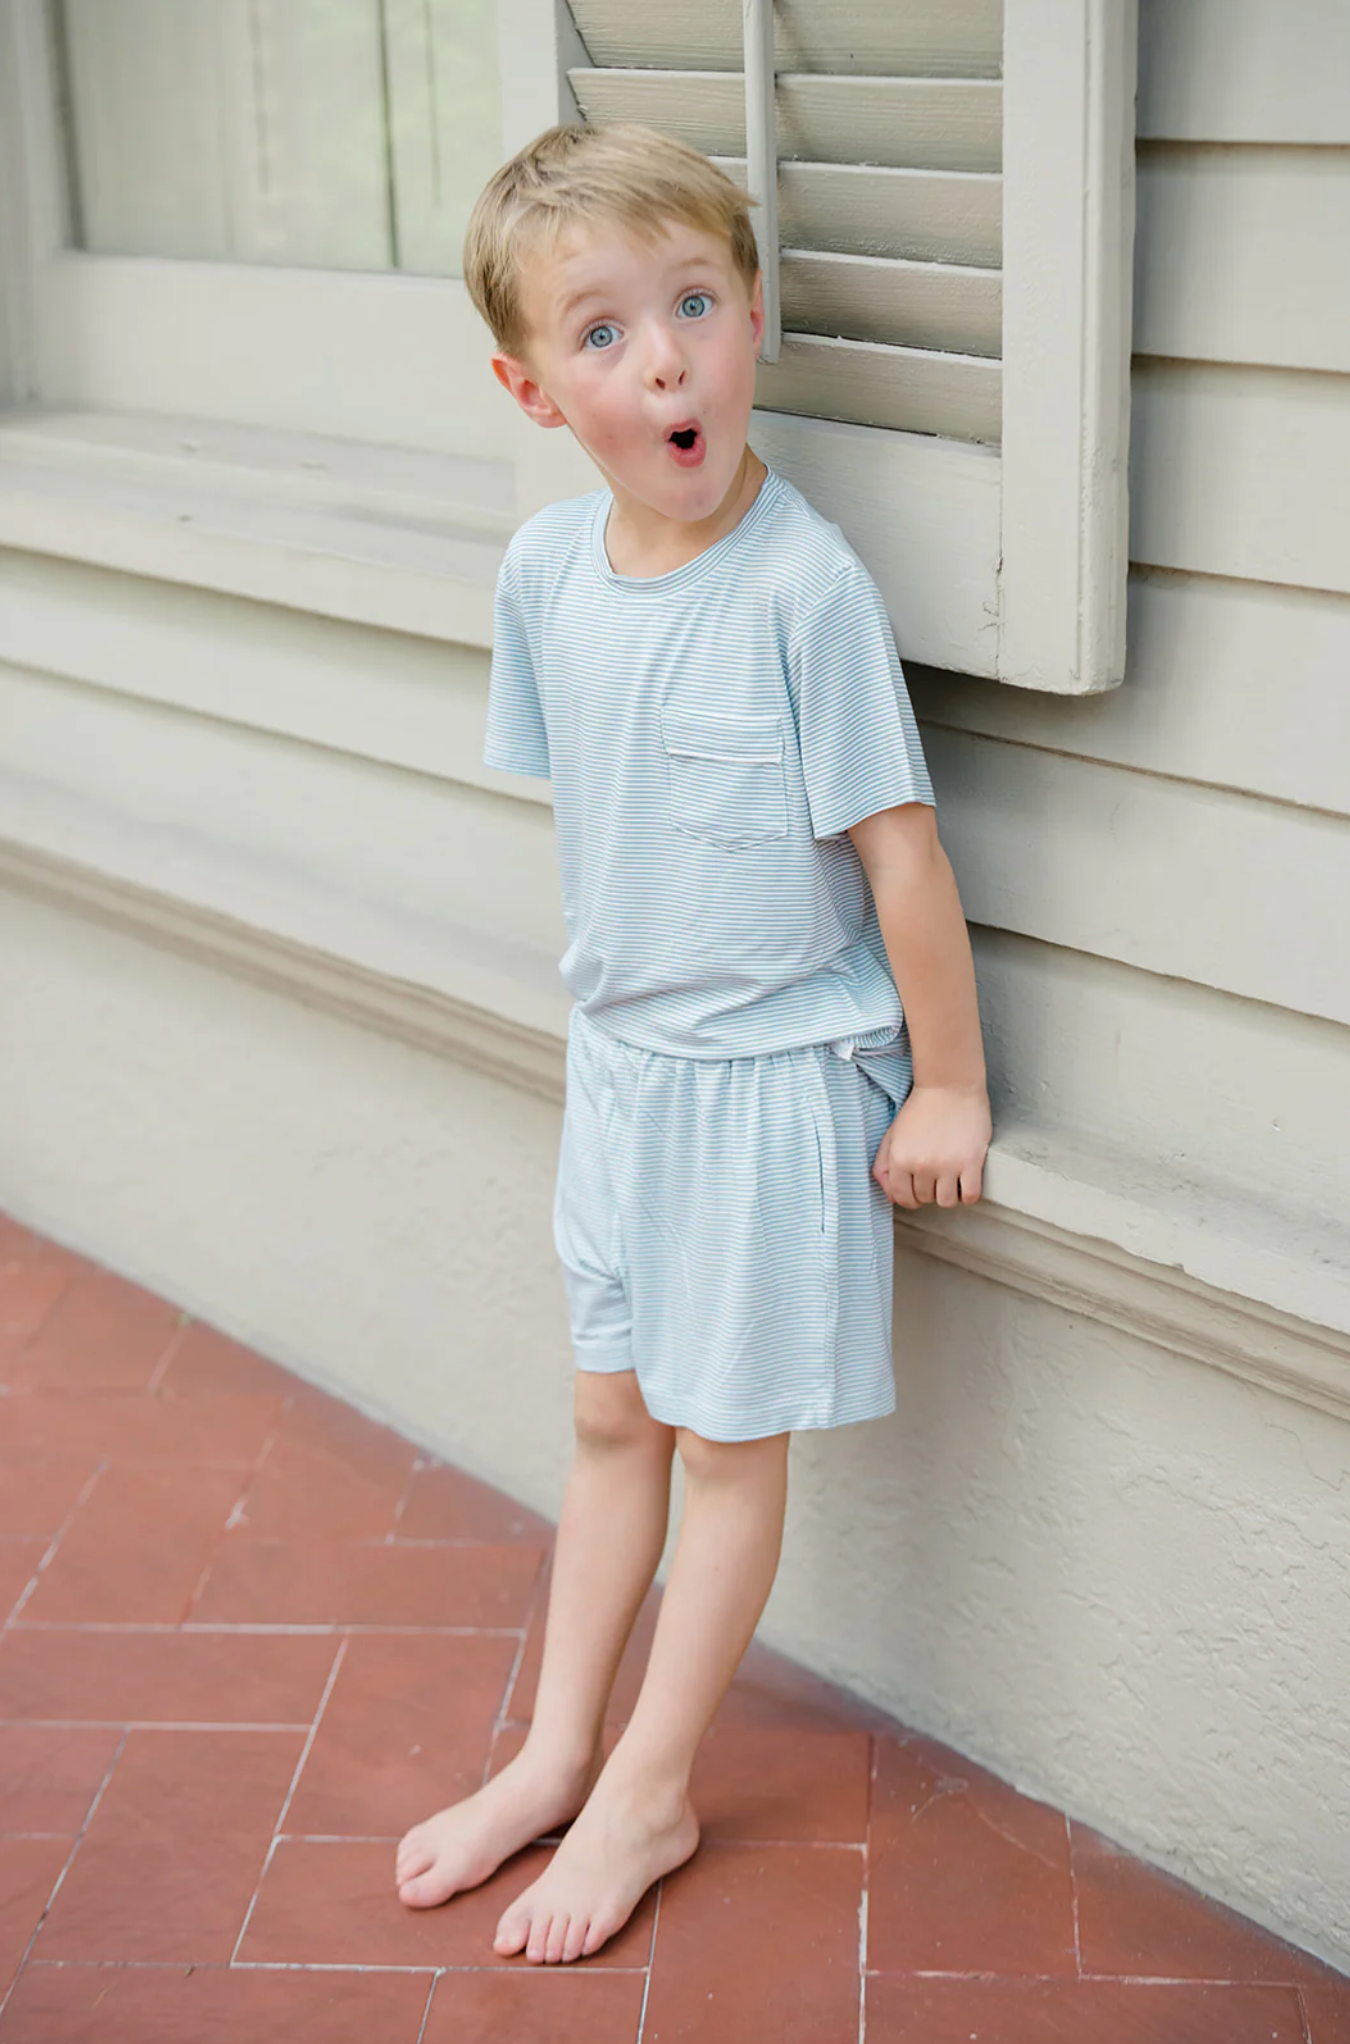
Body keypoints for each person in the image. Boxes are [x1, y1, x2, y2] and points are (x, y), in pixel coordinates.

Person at [395, 121, 991, 1967]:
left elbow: (899, 850)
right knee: (605, 1417)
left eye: (695, 303)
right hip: (624, 1073)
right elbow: (615, 809)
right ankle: (560, 1750)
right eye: (602, 332)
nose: (663, 358)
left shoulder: (800, 589)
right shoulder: (546, 580)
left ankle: (654, 1785)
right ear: (529, 388)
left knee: (726, 1445)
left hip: (765, 1089)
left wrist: (946, 1078)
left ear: (749, 321)